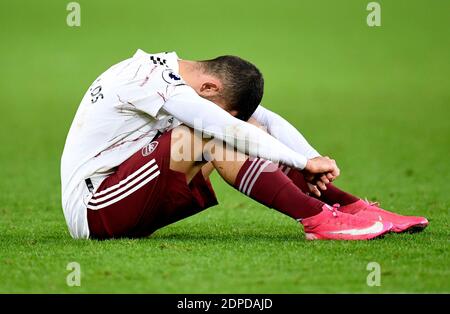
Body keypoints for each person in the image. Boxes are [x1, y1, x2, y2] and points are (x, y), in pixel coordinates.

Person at [60, 49, 427, 240]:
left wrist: (310, 158)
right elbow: (227, 129)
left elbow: (264, 121)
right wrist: (299, 161)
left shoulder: (185, 80)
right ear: (209, 89)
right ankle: (317, 220)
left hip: (134, 190)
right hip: (94, 208)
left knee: (233, 127)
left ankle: (351, 209)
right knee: (207, 133)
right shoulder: (148, 79)